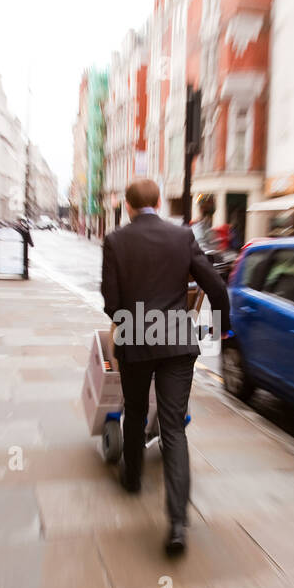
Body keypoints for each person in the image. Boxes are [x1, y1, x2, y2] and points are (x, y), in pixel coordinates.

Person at [101, 178, 231, 557]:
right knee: (174, 427)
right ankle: (177, 524)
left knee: (136, 411)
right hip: (176, 342)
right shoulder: (182, 237)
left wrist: (130, 320)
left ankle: (131, 479)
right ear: (159, 202)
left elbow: (111, 302)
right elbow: (216, 287)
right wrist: (222, 330)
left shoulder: (115, 241)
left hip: (135, 341)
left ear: (127, 206)